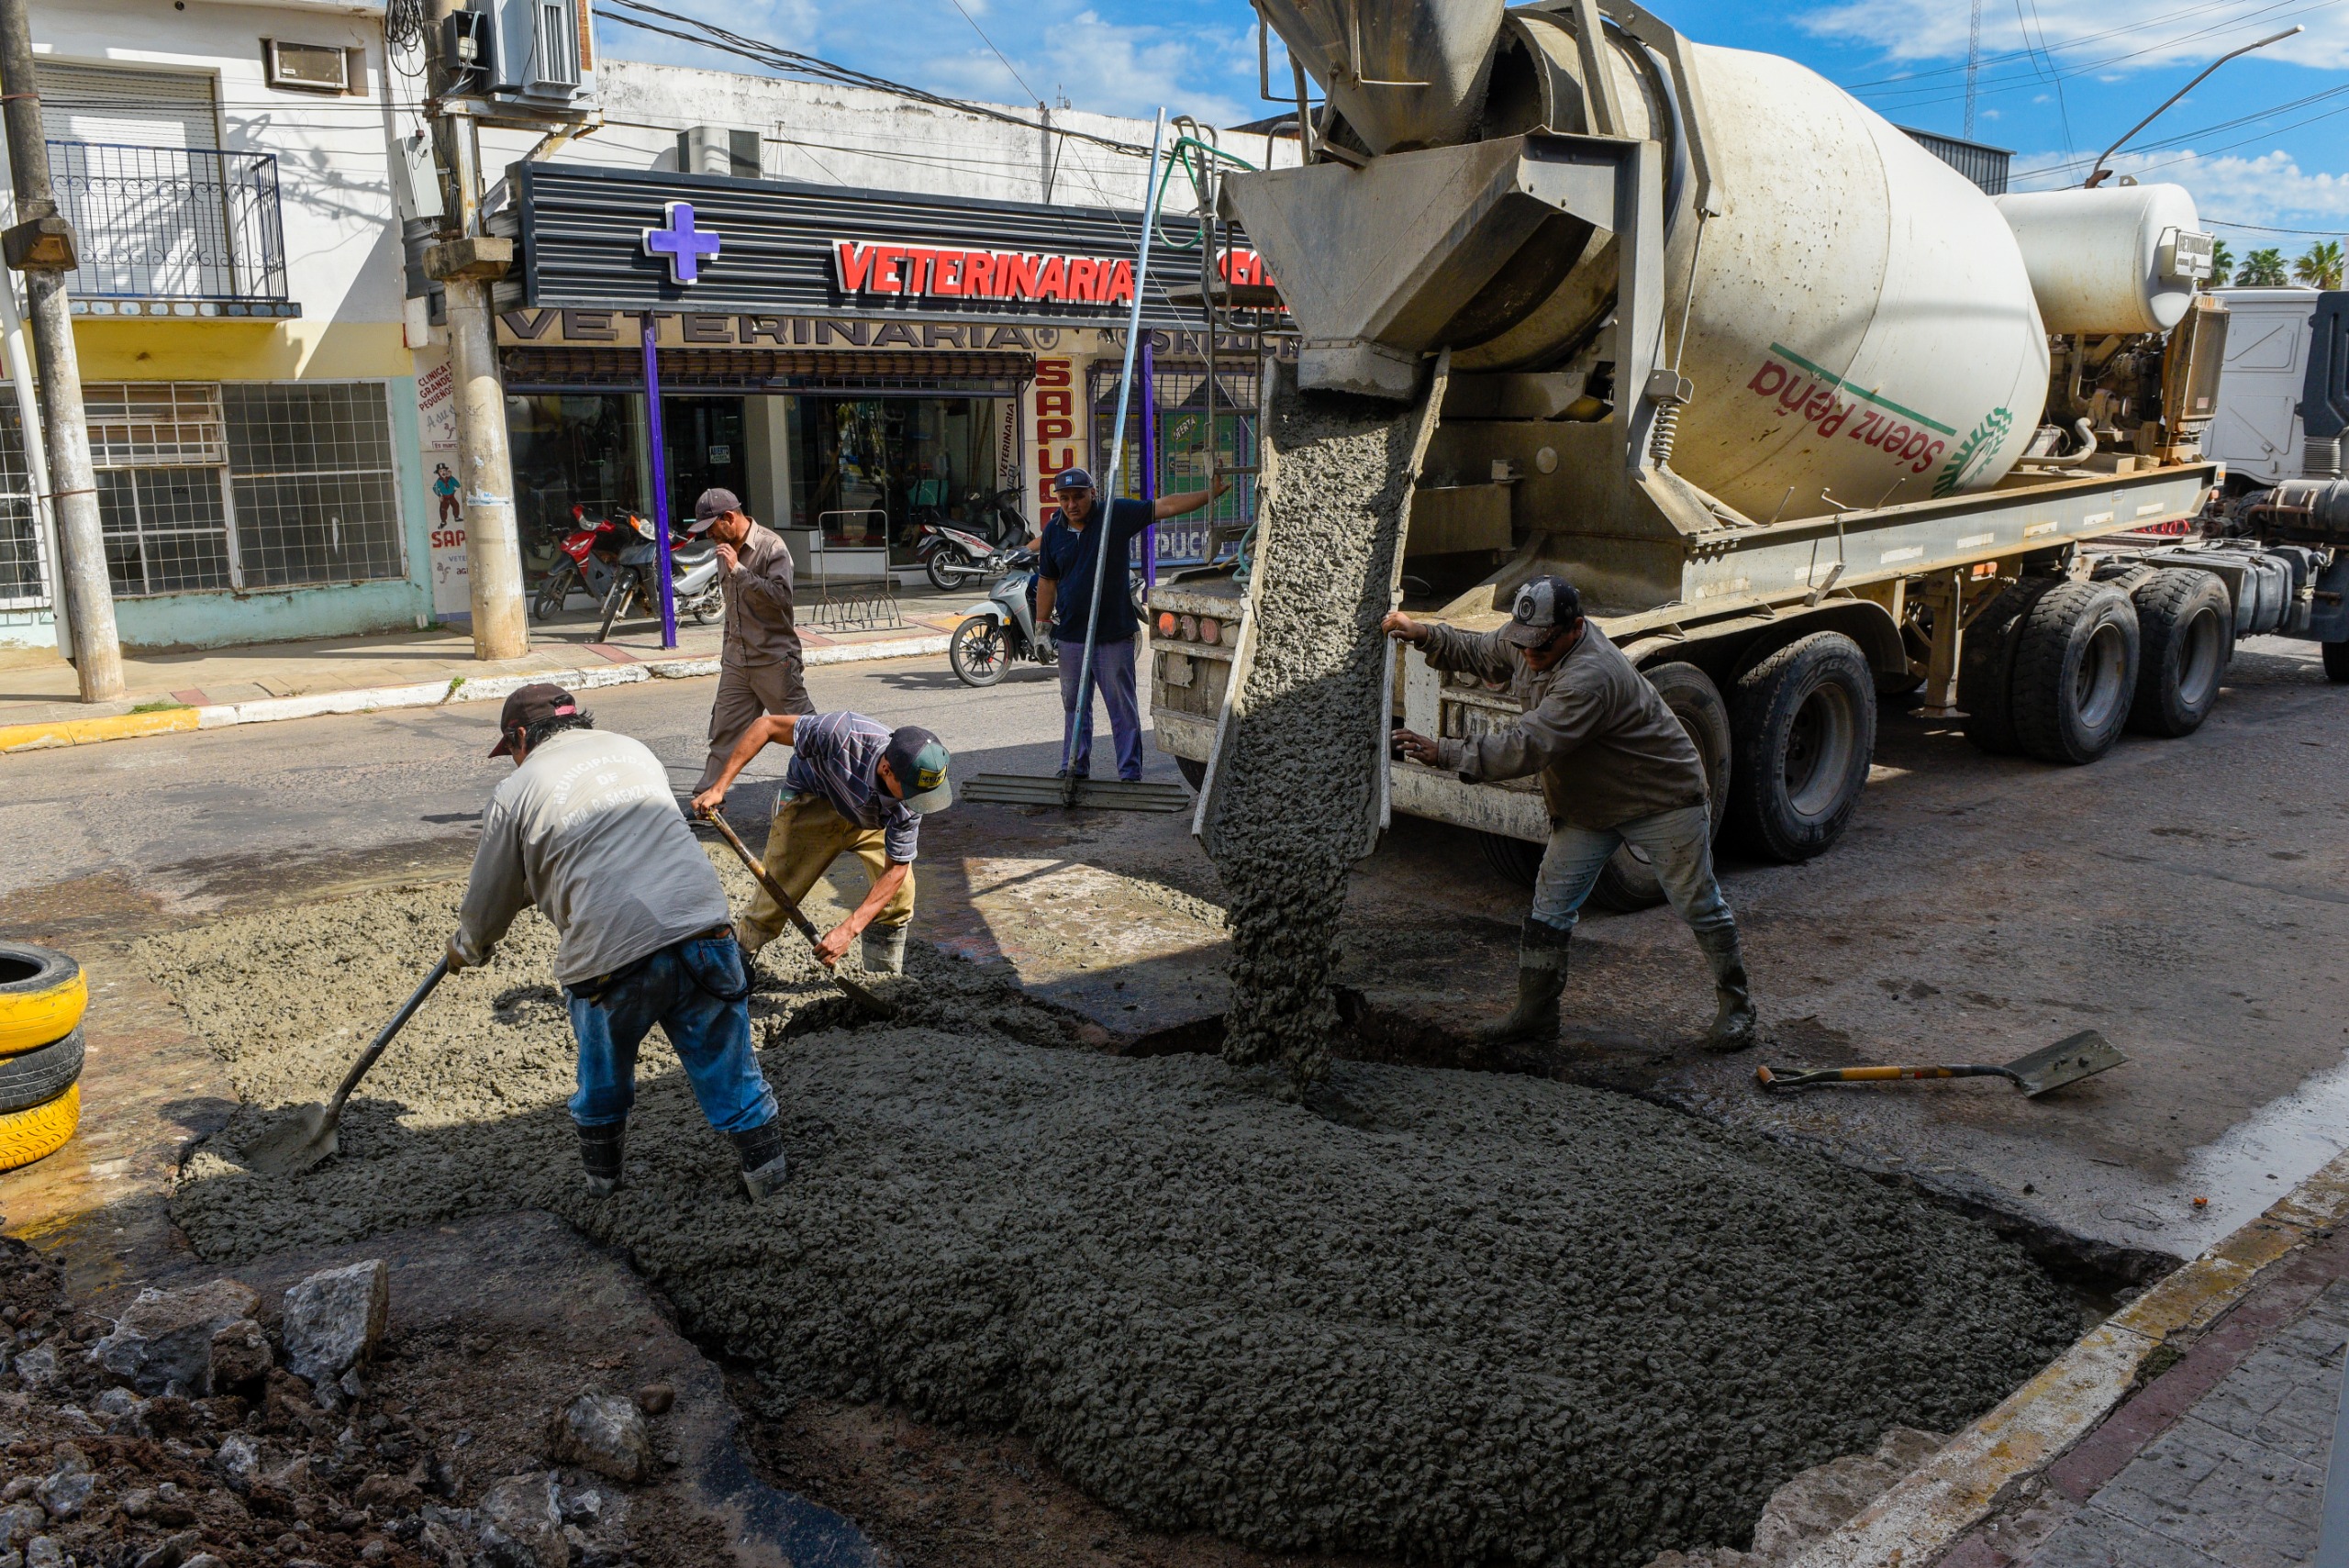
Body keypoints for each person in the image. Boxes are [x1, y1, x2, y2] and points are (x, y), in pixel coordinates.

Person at [447, 684, 792, 1202]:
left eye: (511, 749)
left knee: (603, 1083)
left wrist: (469, 946)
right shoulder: (632, 750)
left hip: (611, 954)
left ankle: (605, 1193)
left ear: (519, 736)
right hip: (703, 927)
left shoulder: (515, 792)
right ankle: (771, 1186)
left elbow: (489, 897)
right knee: (732, 1071)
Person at [1383, 574, 1758, 1051]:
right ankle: (1536, 1015)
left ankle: (1738, 1008)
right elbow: (1481, 651)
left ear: (1576, 628)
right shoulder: (1528, 639)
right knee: (1550, 905)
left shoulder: (1591, 677)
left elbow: (1529, 745)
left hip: (1659, 797)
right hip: (1590, 803)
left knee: (1696, 902)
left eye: (1541, 645)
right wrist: (1424, 633)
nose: (1529, 653)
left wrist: (1446, 752)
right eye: (1523, 642)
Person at [691, 710, 953, 977]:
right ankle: (730, 974)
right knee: (773, 901)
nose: (917, 801)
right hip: (815, 803)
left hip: (870, 819)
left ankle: (883, 978)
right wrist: (718, 788)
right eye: (912, 793)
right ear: (886, 770)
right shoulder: (842, 733)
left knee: (899, 896)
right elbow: (766, 726)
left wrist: (849, 929)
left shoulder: (912, 801)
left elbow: (895, 870)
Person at [1033, 467, 1229, 781]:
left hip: (1113, 634)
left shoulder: (1115, 515)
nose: (1071, 505)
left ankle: (1129, 774)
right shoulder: (1054, 531)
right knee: (1074, 705)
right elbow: (1047, 580)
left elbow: (1166, 506)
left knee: (1121, 708)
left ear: (1093, 493)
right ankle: (1074, 768)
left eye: (1078, 497)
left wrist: (1210, 494)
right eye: (1064, 498)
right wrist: (1042, 629)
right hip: (1071, 635)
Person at [689, 487, 813, 796]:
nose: (710, 536)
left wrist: (740, 571)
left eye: (712, 528)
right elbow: (731, 612)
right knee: (724, 734)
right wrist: (726, 657)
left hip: (774, 659)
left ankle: (837, 786)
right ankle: (708, 798)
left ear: (729, 518)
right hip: (737, 662)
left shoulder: (772, 547)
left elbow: (782, 598)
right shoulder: (724, 550)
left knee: (807, 732)